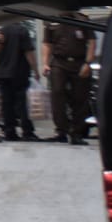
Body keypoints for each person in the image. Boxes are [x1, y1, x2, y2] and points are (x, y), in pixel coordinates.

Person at [43, 17, 96, 145]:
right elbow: (47, 44)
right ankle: (61, 130)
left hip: (79, 62)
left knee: (80, 97)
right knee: (57, 93)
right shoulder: (52, 21)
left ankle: (77, 132)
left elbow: (92, 42)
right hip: (59, 62)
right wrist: (45, 63)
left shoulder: (82, 20)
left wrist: (88, 63)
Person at [0, 20, 40, 141]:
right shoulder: (22, 31)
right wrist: (35, 70)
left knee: (7, 104)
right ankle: (27, 131)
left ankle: (9, 131)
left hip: (3, 73)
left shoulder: (1, 31)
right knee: (23, 103)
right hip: (19, 71)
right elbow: (28, 52)